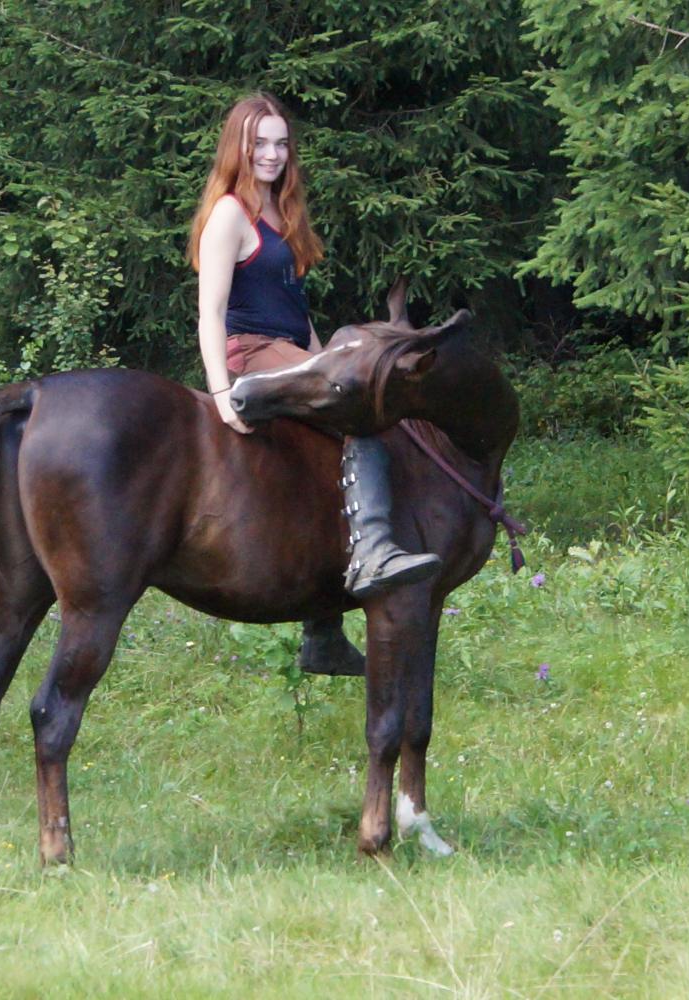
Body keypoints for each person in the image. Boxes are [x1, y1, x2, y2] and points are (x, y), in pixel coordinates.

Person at [188, 94, 440, 674]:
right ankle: (373, 551)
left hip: (289, 350)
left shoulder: (281, 211)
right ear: (237, 148)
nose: (272, 154)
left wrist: (325, 360)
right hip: (251, 354)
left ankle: (322, 631)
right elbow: (211, 313)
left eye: (281, 143)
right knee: (362, 416)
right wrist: (222, 392)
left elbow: (293, 309)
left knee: (361, 401)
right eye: (259, 143)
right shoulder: (230, 214)